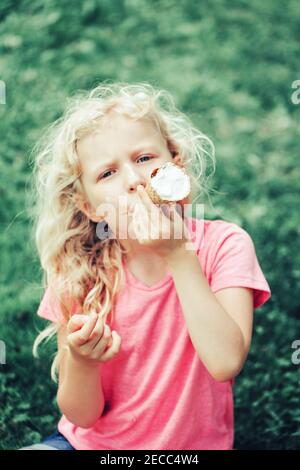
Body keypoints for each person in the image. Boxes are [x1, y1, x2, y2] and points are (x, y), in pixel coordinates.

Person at [19, 81, 271, 450]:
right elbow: (81, 415)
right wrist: (82, 360)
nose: (135, 180)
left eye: (144, 158)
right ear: (89, 207)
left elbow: (225, 361)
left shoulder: (225, 246)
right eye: (108, 174)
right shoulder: (81, 271)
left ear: (177, 167)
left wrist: (179, 254)